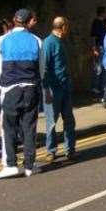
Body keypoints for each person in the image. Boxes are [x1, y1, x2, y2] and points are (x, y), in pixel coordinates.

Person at [0, 9, 47, 179]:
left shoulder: (2, 40)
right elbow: (42, 70)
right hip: (31, 88)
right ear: (29, 21)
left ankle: (10, 165)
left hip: (10, 89)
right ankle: (30, 165)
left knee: (9, 127)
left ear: (14, 20)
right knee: (29, 126)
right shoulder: (37, 40)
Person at [42, 17, 76, 163]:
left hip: (65, 87)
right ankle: (51, 151)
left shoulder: (60, 41)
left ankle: (70, 150)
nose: (68, 29)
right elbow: (43, 67)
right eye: (67, 26)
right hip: (53, 89)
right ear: (63, 27)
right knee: (51, 122)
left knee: (69, 120)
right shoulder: (49, 42)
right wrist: (46, 89)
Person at [90, 6, 106, 94]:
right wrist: (94, 48)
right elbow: (93, 36)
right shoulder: (96, 22)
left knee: (104, 67)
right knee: (98, 67)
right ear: (101, 13)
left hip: (105, 47)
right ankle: (95, 87)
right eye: (105, 12)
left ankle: (103, 86)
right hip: (99, 47)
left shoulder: (105, 22)